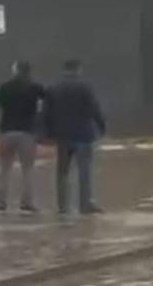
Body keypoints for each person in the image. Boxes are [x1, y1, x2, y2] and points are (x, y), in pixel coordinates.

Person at [43, 60, 106, 215]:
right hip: (83, 134)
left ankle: (63, 206)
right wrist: (101, 126)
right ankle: (85, 204)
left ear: (64, 70)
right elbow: (94, 108)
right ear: (78, 70)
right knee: (84, 171)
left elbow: (46, 113)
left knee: (62, 171)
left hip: (63, 136)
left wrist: (48, 133)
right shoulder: (84, 87)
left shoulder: (53, 88)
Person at [0, 60, 45, 212]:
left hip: (7, 132)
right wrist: (43, 127)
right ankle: (26, 202)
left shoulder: (5, 87)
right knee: (27, 169)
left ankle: (1, 202)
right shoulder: (36, 88)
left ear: (15, 70)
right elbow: (46, 105)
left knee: (4, 168)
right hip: (27, 132)